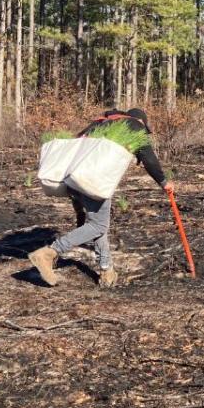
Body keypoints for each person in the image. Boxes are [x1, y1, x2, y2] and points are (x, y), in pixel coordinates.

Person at [28, 107, 172, 288]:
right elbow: (148, 158)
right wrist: (164, 182)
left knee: (97, 225)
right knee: (98, 225)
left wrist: (79, 211)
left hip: (74, 177)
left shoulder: (99, 123)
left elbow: (76, 147)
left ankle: (107, 271)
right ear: (141, 121)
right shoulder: (134, 125)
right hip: (94, 180)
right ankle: (49, 253)